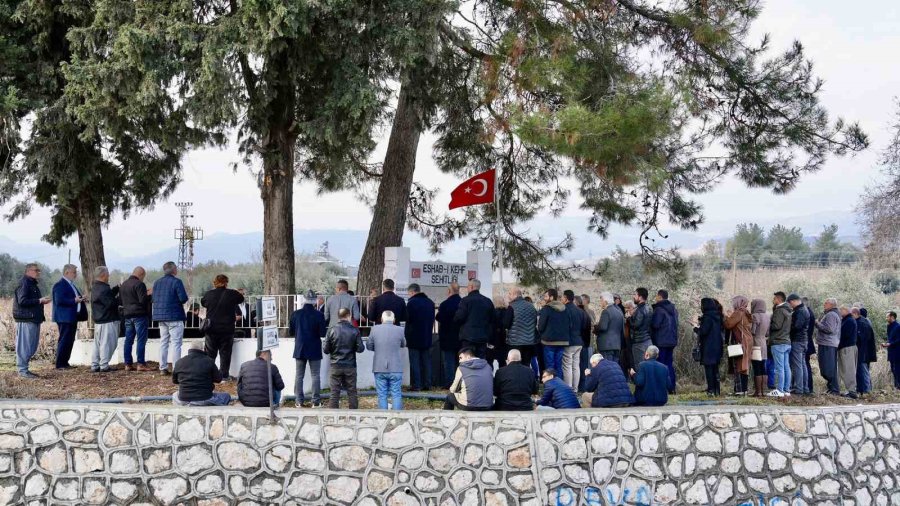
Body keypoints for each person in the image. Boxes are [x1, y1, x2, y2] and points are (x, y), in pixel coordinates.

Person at [199, 275, 244, 380]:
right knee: (225, 354)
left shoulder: (209, 294)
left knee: (210, 354)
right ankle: (224, 376)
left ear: (215, 283)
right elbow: (241, 298)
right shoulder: (232, 294)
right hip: (227, 329)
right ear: (226, 282)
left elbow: (203, 302)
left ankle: (209, 375)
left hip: (211, 329)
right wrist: (236, 292)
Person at [290, 290, 327, 407]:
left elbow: (291, 332)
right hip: (314, 348)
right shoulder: (319, 315)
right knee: (315, 375)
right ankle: (315, 402)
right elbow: (322, 333)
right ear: (315, 300)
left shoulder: (296, 314)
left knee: (299, 375)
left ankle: (298, 401)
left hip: (300, 347)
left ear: (304, 299)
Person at [14, 263, 51, 378]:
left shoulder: (32, 283)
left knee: (31, 346)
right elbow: (22, 301)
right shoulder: (24, 283)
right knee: (25, 346)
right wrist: (40, 301)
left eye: (38, 270)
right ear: (28, 271)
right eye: (36, 270)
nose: (38, 272)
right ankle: (23, 371)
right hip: (26, 319)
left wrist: (40, 301)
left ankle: (25, 370)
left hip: (33, 318)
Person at [323, 308, 364, 409]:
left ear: (338, 316)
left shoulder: (331, 330)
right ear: (349, 316)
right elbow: (360, 349)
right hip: (350, 365)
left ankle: (333, 417)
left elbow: (326, 350)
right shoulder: (354, 330)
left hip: (335, 365)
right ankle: (354, 417)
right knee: (352, 392)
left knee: (334, 393)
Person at [152, 261, 189, 375]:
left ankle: (162, 367)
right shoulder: (177, 282)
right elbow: (183, 298)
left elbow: (154, 298)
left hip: (161, 317)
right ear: (173, 270)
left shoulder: (157, 282)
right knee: (176, 343)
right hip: (175, 316)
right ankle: (176, 369)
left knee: (164, 342)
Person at [367, 310, 406, 410]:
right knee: (396, 393)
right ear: (394, 320)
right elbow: (403, 344)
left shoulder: (374, 329)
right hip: (396, 367)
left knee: (382, 394)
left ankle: (383, 418)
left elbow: (369, 346)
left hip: (379, 366)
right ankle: (397, 418)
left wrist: (379, 348)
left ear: (381, 319)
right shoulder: (400, 329)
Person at [172, 341, 232, 406]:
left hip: (183, 399)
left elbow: (175, 381)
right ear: (202, 349)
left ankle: (190, 404)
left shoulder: (179, 362)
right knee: (226, 396)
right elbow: (218, 379)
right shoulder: (209, 361)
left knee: (175, 395)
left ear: (190, 349)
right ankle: (197, 404)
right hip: (204, 398)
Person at [52, 264, 85, 370]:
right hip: (64, 317)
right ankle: (60, 364)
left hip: (72, 317)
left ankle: (65, 362)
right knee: (64, 340)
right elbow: (59, 300)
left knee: (70, 340)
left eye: (76, 272)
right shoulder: (60, 285)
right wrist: (74, 301)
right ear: (66, 272)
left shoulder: (71, 285)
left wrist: (82, 298)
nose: (75, 274)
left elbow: (74, 297)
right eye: (74, 272)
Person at [119, 267, 151, 371]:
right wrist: (149, 294)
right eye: (143, 277)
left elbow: (122, 300)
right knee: (141, 340)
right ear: (141, 275)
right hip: (139, 315)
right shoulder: (139, 284)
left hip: (127, 315)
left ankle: (127, 364)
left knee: (128, 340)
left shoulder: (124, 284)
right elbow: (142, 300)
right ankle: (140, 363)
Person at [90, 266, 121, 373]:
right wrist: (121, 299)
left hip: (99, 320)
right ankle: (104, 365)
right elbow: (110, 303)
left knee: (98, 344)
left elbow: (107, 297)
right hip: (108, 320)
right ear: (103, 275)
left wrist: (116, 288)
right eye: (108, 274)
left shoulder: (96, 287)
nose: (109, 276)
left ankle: (95, 364)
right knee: (108, 343)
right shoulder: (104, 288)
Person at [453, 279, 495, 359]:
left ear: (471, 287)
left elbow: (459, 318)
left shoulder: (465, 301)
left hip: (467, 337)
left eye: (467, 286)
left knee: (467, 361)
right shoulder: (487, 301)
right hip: (482, 337)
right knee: (481, 362)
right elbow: (493, 320)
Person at [406, 283, 436, 390]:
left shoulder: (411, 303)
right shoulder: (430, 303)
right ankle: (428, 384)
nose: (409, 295)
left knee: (415, 362)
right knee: (426, 362)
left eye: (409, 293)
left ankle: (417, 385)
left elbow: (408, 321)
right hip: (427, 336)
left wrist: (407, 336)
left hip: (414, 337)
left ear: (413, 292)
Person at [650, 289, 679, 393]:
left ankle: (662, 388)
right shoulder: (674, 310)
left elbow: (655, 325)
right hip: (671, 341)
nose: (655, 298)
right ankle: (671, 388)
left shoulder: (659, 310)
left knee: (660, 365)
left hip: (661, 341)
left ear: (660, 297)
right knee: (669, 364)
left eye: (656, 296)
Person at [504, 287, 538, 371]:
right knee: (526, 364)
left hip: (515, 342)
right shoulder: (531, 306)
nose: (509, 296)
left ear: (515, 295)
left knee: (514, 364)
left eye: (510, 294)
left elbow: (506, 324)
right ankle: (526, 381)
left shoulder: (511, 307)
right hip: (529, 341)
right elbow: (535, 321)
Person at [694, 298, 723, 396]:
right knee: (715, 369)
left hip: (708, 346)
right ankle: (716, 389)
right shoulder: (717, 316)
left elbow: (703, 331)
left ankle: (710, 390)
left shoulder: (707, 317)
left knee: (709, 369)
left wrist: (696, 328)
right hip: (717, 346)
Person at [436, 283, 462, 388]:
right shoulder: (463, 303)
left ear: (449, 291)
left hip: (447, 338)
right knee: (461, 362)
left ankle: (450, 384)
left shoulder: (445, 304)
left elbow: (439, 317)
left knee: (449, 362)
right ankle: (460, 384)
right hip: (461, 337)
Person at [724, 296, 752, 395]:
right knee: (745, 366)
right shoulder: (746, 312)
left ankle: (739, 390)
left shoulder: (738, 313)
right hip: (748, 341)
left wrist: (727, 316)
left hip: (741, 341)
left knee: (739, 365)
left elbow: (728, 324)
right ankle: (744, 390)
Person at [538, 289, 569, 375]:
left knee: (550, 366)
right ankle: (559, 386)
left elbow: (540, 327)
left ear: (551, 297)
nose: (544, 298)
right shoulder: (564, 308)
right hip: (562, 342)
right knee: (559, 366)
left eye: (546, 296)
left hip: (549, 342)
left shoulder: (546, 309)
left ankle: (551, 386)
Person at [815, 298, 842, 395]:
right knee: (828, 367)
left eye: (826, 303)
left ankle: (834, 389)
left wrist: (817, 323)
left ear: (831, 305)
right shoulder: (832, 314)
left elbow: (829, 329)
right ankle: (832, 388)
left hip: (828, 344)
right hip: (828, 343)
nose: (824, 304)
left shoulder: (831, 315)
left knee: (828, 368)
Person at [767, 292, 792, 397]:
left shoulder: (779, 310)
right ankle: (786, 390)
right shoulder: (788, 310)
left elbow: (776, 326)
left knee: (779, 368)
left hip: (778, 342)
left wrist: (769, 324)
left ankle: (779, 390)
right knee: (786, 367)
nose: (773, 300)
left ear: (778, 299)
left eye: (774, 299)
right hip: (786, 342)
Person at [560, 290, 583, 390]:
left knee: (567, 366)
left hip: (569, 341)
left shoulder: (564, 310)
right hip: (579, 341)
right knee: (575, 366)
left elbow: (564, 326)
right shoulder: (579, 310)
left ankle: (568, 388)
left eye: (562, 297)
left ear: (565, 298)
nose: (561, 299)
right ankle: (575, 388)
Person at [787, 294, 810, 396]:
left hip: (797, 341)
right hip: (803, 341)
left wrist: (788, 327)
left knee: (797, 366)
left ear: (794, 301)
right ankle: (805, 388)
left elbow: (797, 326)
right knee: (802, 365)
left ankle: (799, 389)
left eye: (790, 303)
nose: (790, 305)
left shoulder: (800, 311)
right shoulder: (804, 309)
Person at [749, 298, 770, 397]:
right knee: (763, 367)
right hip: (764, 343)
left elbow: (752, 331)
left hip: (756, 343)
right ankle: (763, 391)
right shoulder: (767, 316)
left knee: (756, 366)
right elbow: (767, 333)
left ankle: (758, 392)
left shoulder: (755, 316)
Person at [595, 292, 624, 364]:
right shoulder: (619, 312)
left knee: (607, 367)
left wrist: (596, 327)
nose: (600, 303)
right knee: (614, 367)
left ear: (605, 301)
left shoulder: (606, 311)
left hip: (606, 345)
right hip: (617, 345)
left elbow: (603, 327)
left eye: (601, 300)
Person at [836, 305, 858, 398]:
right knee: (844, 369)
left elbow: (844, 335)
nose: (840, 312)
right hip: (846, 347)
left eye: (841, 310)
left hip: (847, 348)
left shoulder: (849, 321)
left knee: (848, 369)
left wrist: (838, 344)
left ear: (845, 311)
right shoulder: (847, 320)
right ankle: (849, 390)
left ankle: (852, 391)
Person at [856, 308, 876, 396]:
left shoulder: (862, 323)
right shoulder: (866, 322)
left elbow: (863, 340)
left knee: (863, 371)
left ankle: (867, 391)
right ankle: (863, 390)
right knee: (862, 371)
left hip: (863, 353)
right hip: (865, 352)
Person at [630, 288, 652, 368]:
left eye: (635, 295)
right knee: (649, 366)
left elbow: (636, 325)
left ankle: (640, 381)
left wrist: (629, 318)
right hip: (648, 341)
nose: (633, 296)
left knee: (640, 366)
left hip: (639, 342)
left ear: (640, 297)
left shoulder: (640, 310)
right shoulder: (649, 308)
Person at [574, 296, 592, 392]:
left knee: (578, 365)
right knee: (583, 365)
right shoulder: (585, 313)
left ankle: (580, 386)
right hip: (585, 342)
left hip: (579, 342)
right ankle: (583, 386)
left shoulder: (578, 313)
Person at [489, 297, 510, 370]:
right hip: (504, 340)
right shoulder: (507, 312)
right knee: (502, 361)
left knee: (490, 360)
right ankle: (502, 377)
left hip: (494, 340)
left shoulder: (492, 313)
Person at [883, 312, 900, 389]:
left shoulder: (898, 327)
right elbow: (890, 338)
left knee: (897, 369)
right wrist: (887, 343)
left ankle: (898, 386)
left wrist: (890, 344)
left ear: (892, 317)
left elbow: (899, 339)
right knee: (893, 369)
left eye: (887, 317)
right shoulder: (889, 326)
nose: (886, 318)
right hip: (891, 351)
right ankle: (896, 386)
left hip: (897, 351)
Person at [803, 297, 817, 394]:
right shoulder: (810, 313)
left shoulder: (806, 313)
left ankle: (807, 387)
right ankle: (808, 387)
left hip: (805, 341)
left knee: (805, 364)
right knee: (805, 364)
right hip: (808, 341)